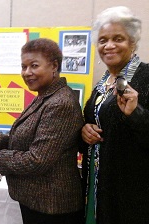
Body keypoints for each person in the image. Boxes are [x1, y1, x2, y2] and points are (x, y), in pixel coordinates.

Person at [0, 38, 84, 224]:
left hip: (53, 207)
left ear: (54, 66)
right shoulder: (45, 95)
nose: (27, 73)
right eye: (23, 67)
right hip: (39, 202)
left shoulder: (60, 103)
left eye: (34, 66)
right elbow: (31, 139)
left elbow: (38, 160)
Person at [81, 6, 149, 224]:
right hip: (98, 184)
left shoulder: (146, 77)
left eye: (117, 38)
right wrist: (84, 130)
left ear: (132, 42)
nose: (109, 45)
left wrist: (136, 114)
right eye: (102, 40)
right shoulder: (103, 83)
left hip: (131, 190)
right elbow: (95, 121)